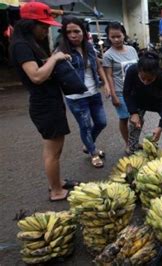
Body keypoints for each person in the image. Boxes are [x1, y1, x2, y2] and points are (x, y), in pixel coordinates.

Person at [9, 2, 78, 201]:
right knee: (52, 150)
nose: (46, 30)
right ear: (30, 24)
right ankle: (56, 191)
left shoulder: (30, 44)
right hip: (44, 105)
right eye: (43, 26)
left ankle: (56, 182)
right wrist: (54, 59)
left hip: (50, 102)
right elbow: (37, 76)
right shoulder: (21, 46)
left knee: (57, 148)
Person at [57, 16, 109, 168]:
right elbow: (56, 71)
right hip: (76, 97)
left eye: (77, 31)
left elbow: (98, 66)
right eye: (69, 32)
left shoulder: (89, 48)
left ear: (84, 32)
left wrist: (105, 83)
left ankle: (88, 145)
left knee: (101, 122)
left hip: (94, 93)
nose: (73, 35)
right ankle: (93, 153)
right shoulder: (61, 51)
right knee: (85, 126)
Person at [123, 51, 162, 154]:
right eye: (142, 78)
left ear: (156, 73)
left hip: (157, 102)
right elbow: (126, 93)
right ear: (138, 71)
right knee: (134, 125)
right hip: (138, 101)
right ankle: (132, 151)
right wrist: (133, 113)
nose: (145, 82)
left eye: (149, 80)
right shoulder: (132, 70)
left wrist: (161, 126)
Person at [102, 22, 138, 153]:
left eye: (119, 36)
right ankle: (128, 143)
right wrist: (114, 95)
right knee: (124, 118)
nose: (116, 39)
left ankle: (135, 141)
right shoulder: (108, 55)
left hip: (136, 91)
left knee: (137, 117)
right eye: (113, 37)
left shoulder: (132, 50)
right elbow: (109, 76)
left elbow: (139, 70)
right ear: (109, 38)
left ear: (124, 35)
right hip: (120, 92)